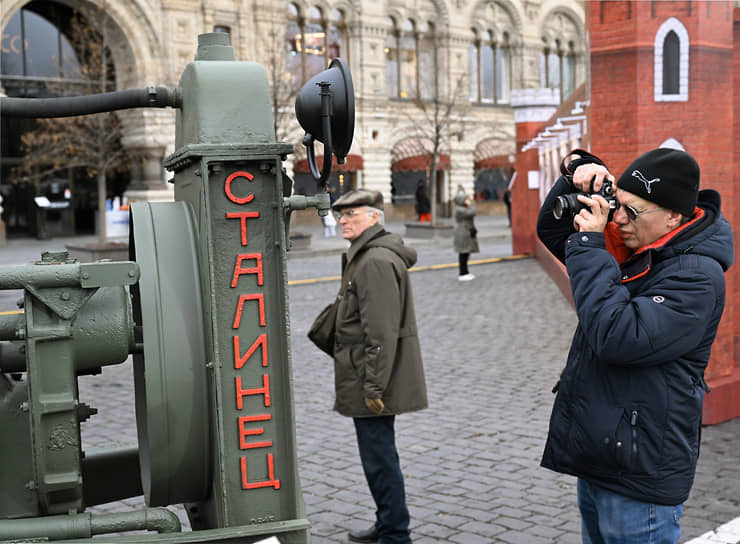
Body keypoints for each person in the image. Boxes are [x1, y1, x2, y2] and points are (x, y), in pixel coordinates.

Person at [537, 148, 734, 544]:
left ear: (673, 216)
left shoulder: (697, 276)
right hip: (603, 454)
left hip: (639, 471)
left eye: (633, 212)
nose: (619, 219)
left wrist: (593, 244)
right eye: (618, 206)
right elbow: (555, 233)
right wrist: (576, 174)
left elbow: (618, 336)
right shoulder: (641, 245)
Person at [331, 189, 428, 544]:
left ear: (374, 217)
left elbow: (381, 333)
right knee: (380, 456)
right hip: (369, 373)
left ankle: (396, 533)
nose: (343, 220)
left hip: (372, 378)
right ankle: (388, 523)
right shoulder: (370, 254)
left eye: (352, 214)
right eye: (340, 214)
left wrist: (373, 388)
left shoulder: (373, 262)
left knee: (380, 460)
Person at [453, 192, 479, 281]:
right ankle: (463, 273)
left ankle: (466, 272)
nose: (469, 200)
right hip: (462, 233)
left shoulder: (462, 208)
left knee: (466, 252)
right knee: (463, 253)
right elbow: (473, 212)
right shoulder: (459, 209)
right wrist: (470, 204)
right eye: (466, 199)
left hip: (466, 231)